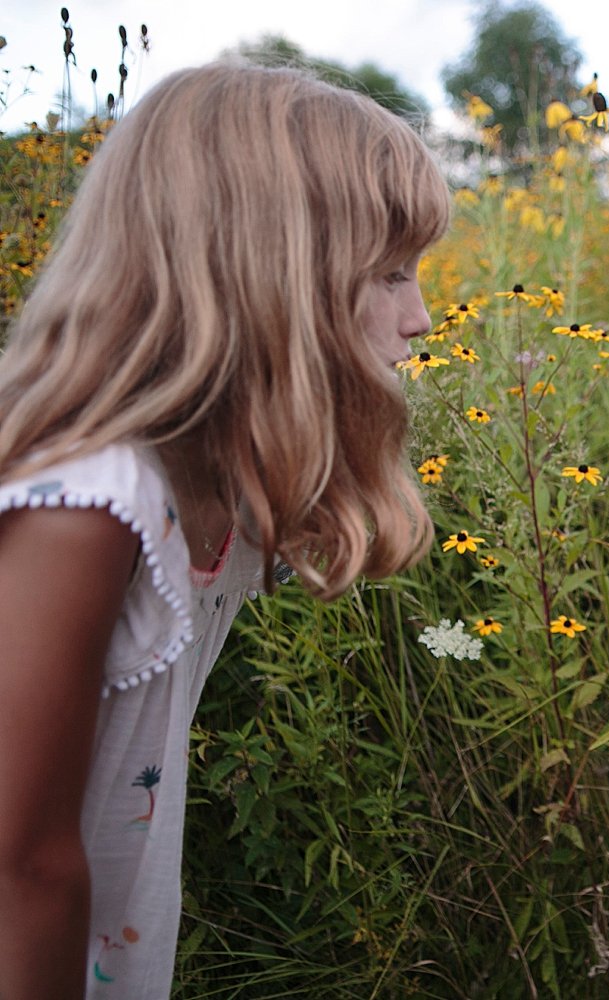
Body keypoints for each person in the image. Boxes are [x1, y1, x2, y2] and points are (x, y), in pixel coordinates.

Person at [0, 63, 448, 998]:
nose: (421, 317)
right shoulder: (86, 504)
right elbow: (19, 867)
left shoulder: (227, 488)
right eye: (389, 274)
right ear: (266, 278)